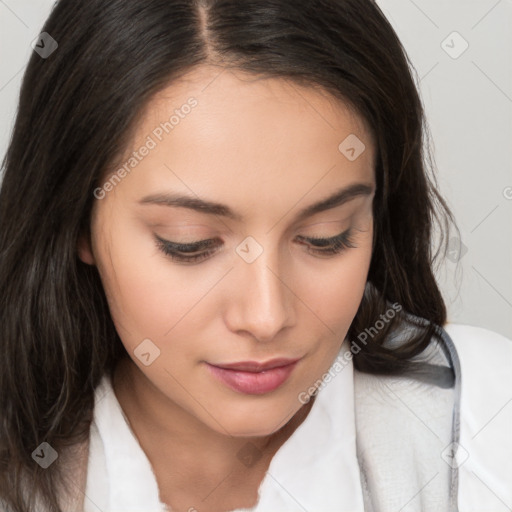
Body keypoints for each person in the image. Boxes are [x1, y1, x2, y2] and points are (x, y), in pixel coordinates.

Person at [0, 1, 510, 511]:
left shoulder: (486, 423)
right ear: (76, 222)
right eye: (189, 243)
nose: (266, 317)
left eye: (325, 236)